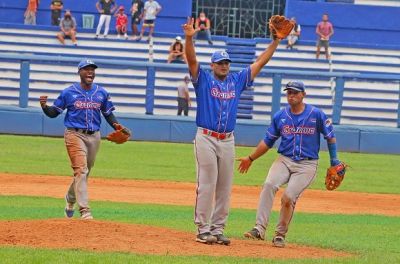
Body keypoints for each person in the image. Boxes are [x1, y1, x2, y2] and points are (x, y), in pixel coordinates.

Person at [182, 17, 281, 245]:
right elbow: (191, 59)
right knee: (207, 184)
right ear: (213, 65)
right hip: (206, 137)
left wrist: (274, 43)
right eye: (220, 62)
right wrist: (189, 38)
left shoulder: (236, 81)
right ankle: (202, 229)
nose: (225, 65)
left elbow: (259, 63)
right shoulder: (203, 79)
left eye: (227, 62)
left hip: (228, 140)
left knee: (225, 187)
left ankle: (217, 230)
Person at [238, 81, 343, 248]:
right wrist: (250, 158)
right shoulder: (280, 116)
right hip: (284, 160)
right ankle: (259, 229)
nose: (292, 95)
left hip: (307, 165)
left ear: (303, 94)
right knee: (269, 185)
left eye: (295, 92)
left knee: (288, 197)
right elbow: (268, 141)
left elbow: (330, 136)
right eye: (289, 93)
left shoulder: (316, 114)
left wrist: (334, 160)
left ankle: (279, 235)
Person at [39, 58, 131, 220]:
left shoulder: (101, 92)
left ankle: (70, 199)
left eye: (92, 69)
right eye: (86, 69)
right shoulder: (69, 92)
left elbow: (108, 113)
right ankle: (85, 211)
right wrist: (45, 107)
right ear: (79, 72)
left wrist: (117, 125)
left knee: (84, 173)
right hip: (74, 134)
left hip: (94, 136)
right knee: (81, 170)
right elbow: (54, 113)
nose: (90, 72)